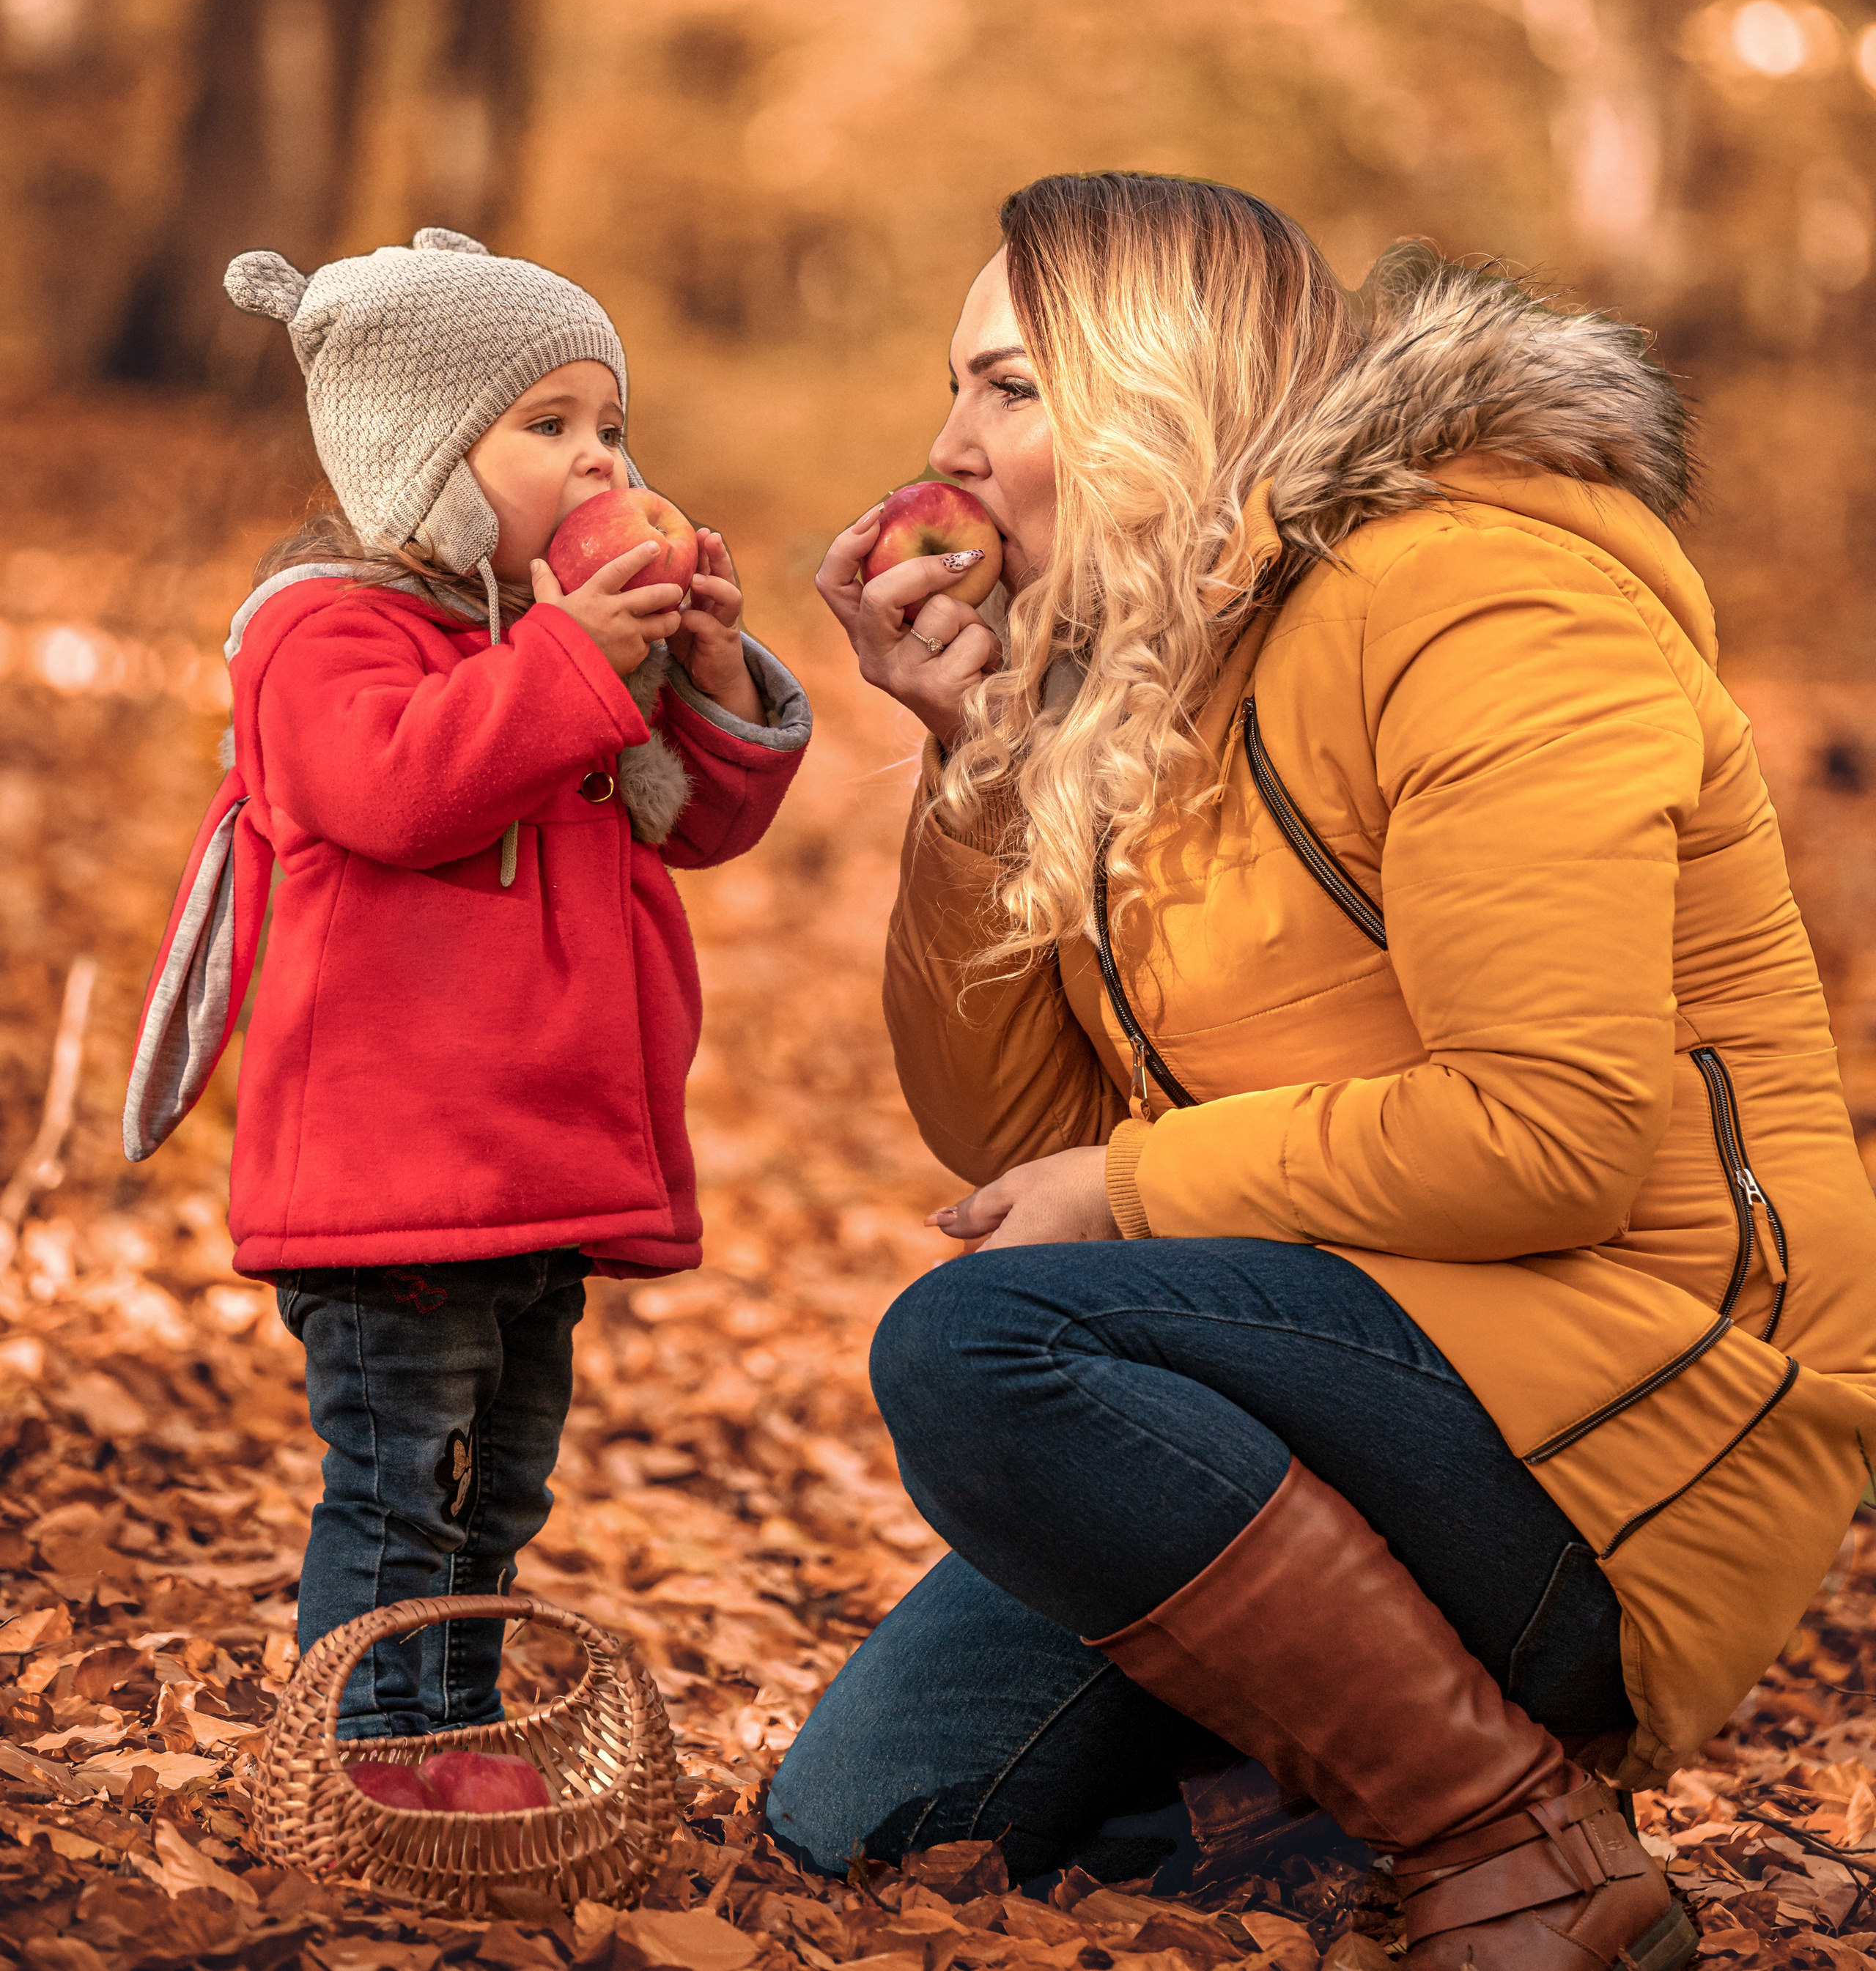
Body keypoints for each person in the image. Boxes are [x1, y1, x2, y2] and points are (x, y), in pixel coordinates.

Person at [775, 173, 1876, 1971]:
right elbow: (1013, 1141)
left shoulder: (1483, 603)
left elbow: (1553, 1139)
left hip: (1650, 1405)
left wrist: (1129, 1189)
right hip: (1360, 1372)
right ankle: (1347, 1765)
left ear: (1157, 387)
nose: (944, 446)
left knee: (976, 1341)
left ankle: (1504, 1835)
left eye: (1005, 387)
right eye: (951, 391)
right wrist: (970, 765)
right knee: (875, 1828)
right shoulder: (1151, 671)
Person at [128, 229, 810, 1736]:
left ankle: (456, 1746)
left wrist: (702, 668)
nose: (597, 464)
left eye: (610, 427)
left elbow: (696, 819)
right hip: (395, 1184)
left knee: (495, 1491)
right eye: (546, 427)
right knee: (399, 1491)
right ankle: (372, 1764)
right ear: (421, 456)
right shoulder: (323, 633)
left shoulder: (556, 651)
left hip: (532, 1169)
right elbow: (396, 789)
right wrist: (569, 657)